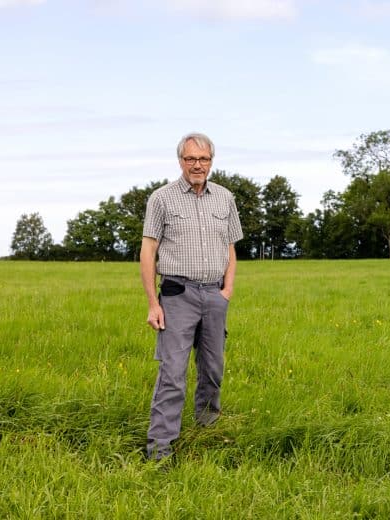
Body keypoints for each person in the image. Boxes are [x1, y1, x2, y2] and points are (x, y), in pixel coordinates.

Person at [140, 132, 243, 462]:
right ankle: (159, 451)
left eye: (203, 159)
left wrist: (226, 291)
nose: (197, 165)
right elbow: (148, 250)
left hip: (214, 294)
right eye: (190, 159)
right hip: (177, 295)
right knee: (172, 374)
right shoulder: (161, 199)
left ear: (212, 161)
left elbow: (230, 247)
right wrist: (153, 304)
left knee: (213, 369)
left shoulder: (225, 198)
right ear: (180, 161)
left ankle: (207, 429)